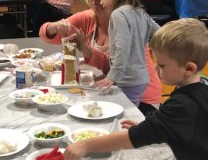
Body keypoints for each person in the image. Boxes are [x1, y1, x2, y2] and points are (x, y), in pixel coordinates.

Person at [63, 18, 208, 160]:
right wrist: (158, 124)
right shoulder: (201, 89)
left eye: (162, 65)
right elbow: (186, 128)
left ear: (189, 68)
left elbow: (132, 139)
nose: (156, 68)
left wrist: (86, 145)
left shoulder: (182, 105)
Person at [39, 0, 162, 111]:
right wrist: (54, 27)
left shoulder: (122, 18)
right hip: (118, 86)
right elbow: (47, 34)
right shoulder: (89, 17)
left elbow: (115, 65)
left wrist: (85, 49)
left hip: (142, 97)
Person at [95, 0, 159, 106]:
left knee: (124, 116)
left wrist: (112, 76)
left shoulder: (118, 14)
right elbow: (161, 33)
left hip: (127, 80)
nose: (101, 2)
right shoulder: (140, 12)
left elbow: (121, 47)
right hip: (141, 79)